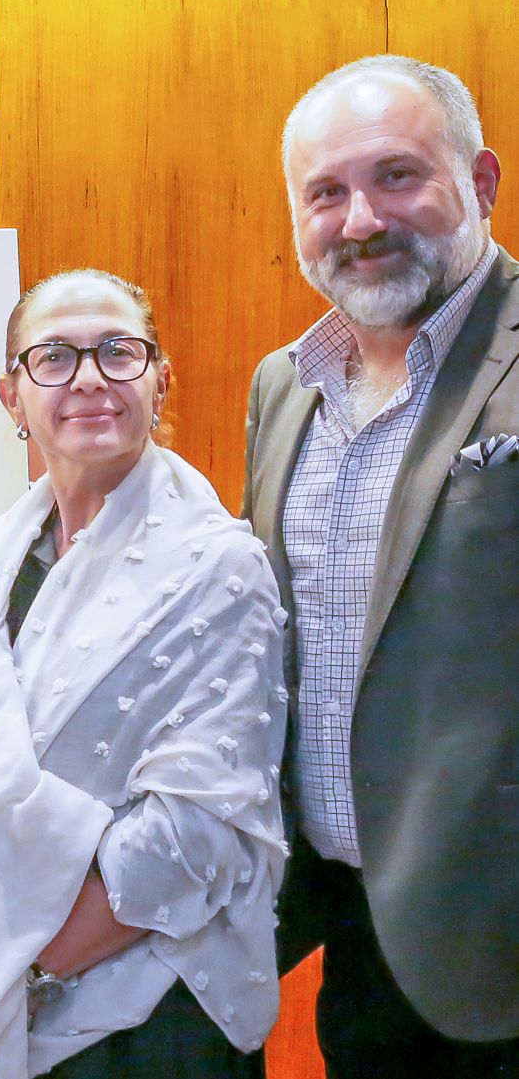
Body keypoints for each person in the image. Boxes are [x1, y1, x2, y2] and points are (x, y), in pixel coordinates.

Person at [0, 269, 288, 1079]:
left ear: (161, 380)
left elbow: (195, 835)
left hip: (139, 1022)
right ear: (10, 396)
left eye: (117, 352)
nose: (88, 376)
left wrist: (12, 967)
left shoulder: (218, 569)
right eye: (52, 356)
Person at [244, 54, 519, 1075]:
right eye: (325, 192)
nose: (360, 218)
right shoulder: (284, 386)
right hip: (354, 935)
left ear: (481, 182)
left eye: (398, 176)